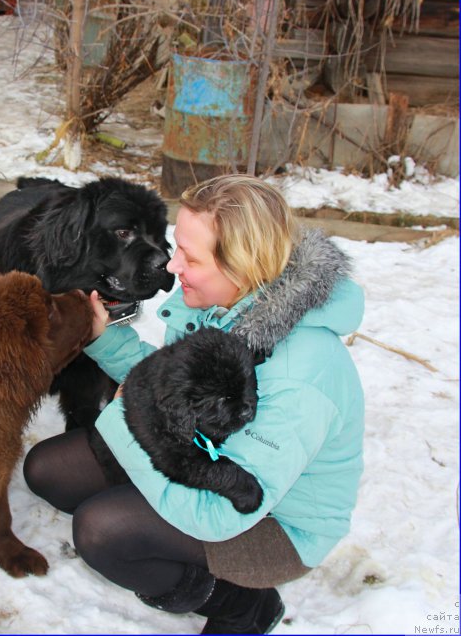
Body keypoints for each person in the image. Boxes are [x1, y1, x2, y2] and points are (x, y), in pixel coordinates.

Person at [23, 174, 365, 634]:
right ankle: (154, 521)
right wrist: (105, 338)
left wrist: (126, 422)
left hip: (269, 520)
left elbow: (222, 513)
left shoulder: (299, 376)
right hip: (205, 456)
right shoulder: (226, 304)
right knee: (47, 470)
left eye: (190, 256)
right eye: (177, 248)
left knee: (103, 530)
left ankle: (244, 607)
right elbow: (172, 388)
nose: (171, 265)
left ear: (240, 266)